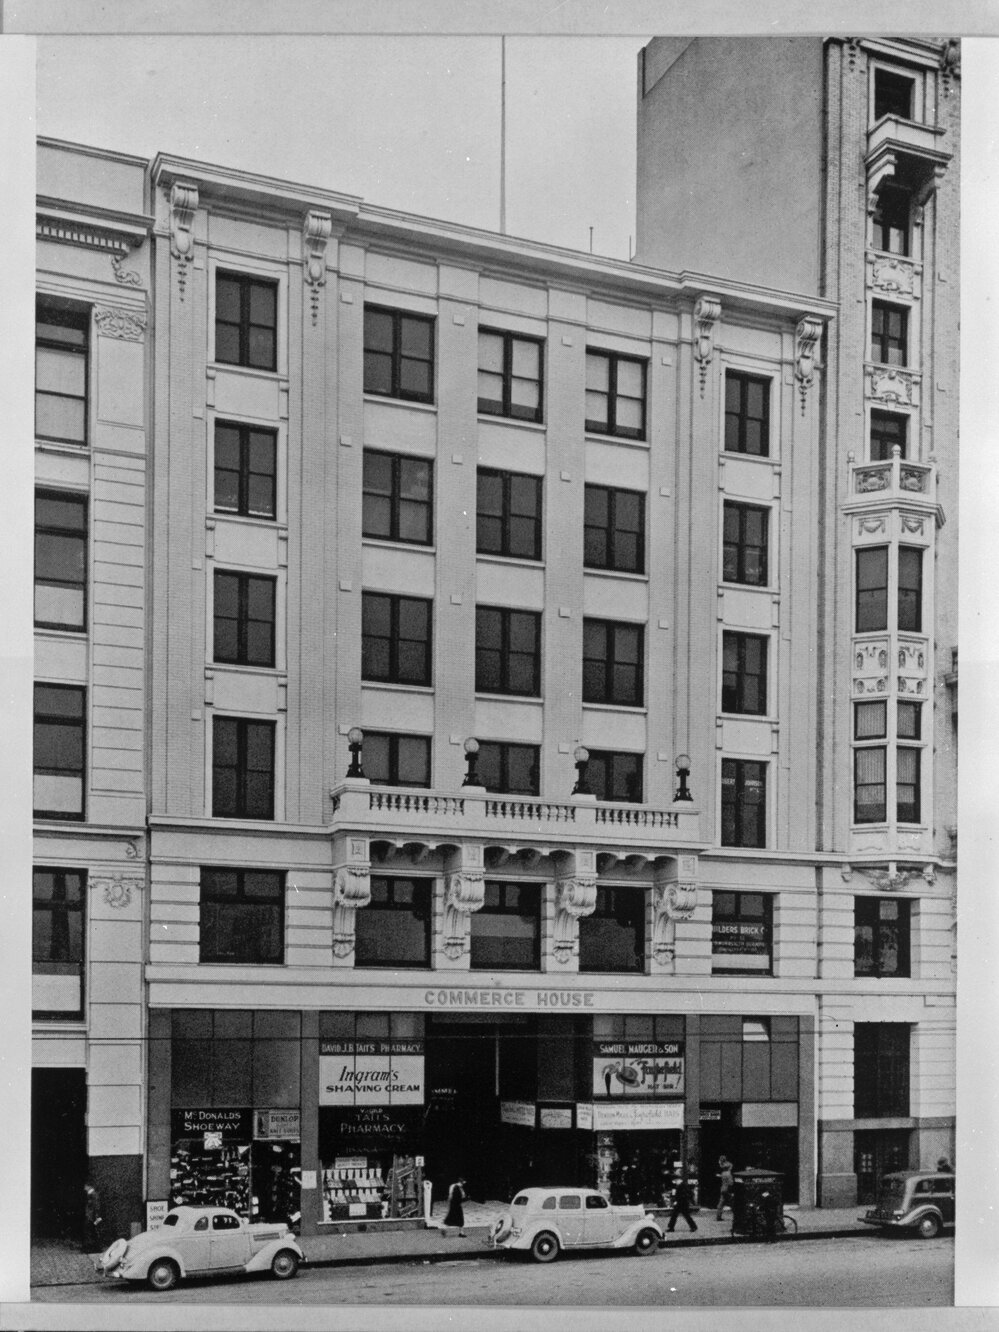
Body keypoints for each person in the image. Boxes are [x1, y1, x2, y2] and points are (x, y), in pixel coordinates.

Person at [82, 1180, 103, 1253]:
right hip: (90, 1216)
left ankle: (91, 1248)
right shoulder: (90, 1194)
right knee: (91, 1232)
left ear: (89, 1186)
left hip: (91, 1217)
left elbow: (96, 1207)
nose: (84, 1188)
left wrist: (96, 1217)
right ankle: (92, 1248)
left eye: (85, 1186)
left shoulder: (93, 1195)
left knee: (90, 1232)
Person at [715, 1155, 734, 1221]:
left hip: (723, 1189)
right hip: (727, 1189)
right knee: (732, 1202)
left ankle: (718, 1216)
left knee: (721, 1203)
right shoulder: (729, 1173)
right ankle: (736, 1215)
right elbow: (731, 1183)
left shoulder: (723, 1173)